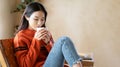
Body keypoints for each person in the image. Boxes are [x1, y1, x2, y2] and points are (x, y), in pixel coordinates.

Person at [14, 2, 82, 67]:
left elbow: (56, 57)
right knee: (63, 40)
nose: (39, 23)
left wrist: (48, 43)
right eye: (36, 19)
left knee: (64, 41)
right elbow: (24, 65)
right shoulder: (20, 37)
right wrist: (36, 41)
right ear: (27, 17)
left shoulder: (46, 33)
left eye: (42, 19)